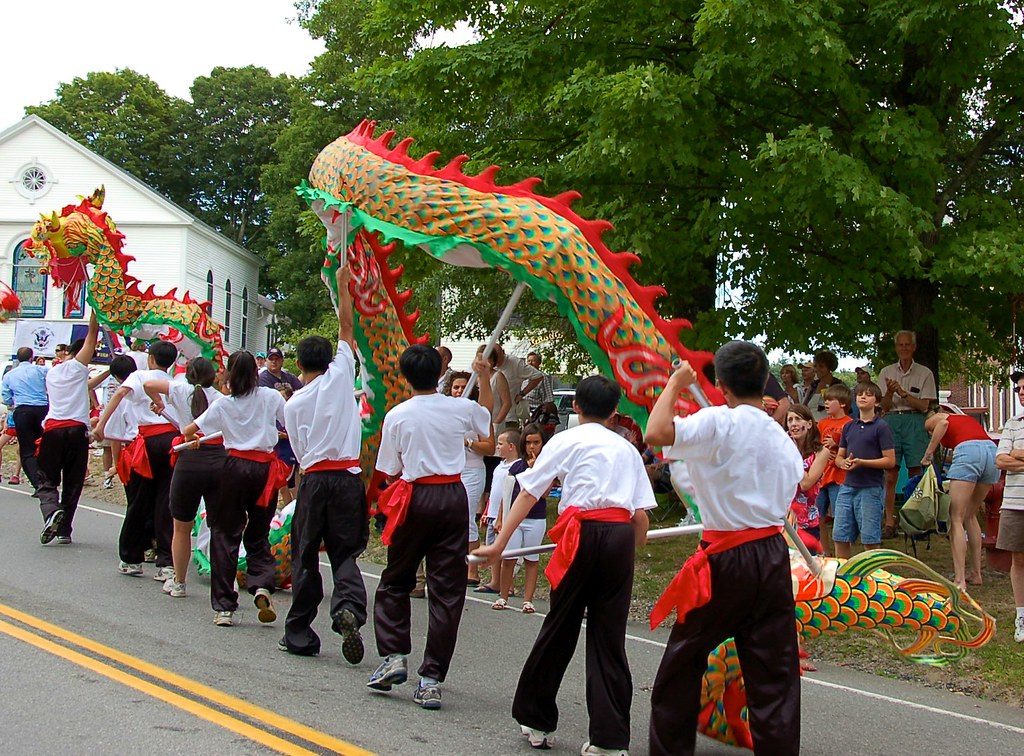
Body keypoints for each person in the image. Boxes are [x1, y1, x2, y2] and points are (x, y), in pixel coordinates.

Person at [475, 374, 653, 754]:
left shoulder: (566, 439)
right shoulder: (626, 448)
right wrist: (627, 553)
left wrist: (499, 543)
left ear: (576, 407)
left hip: (582, 534)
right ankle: (610, 740)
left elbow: (529, 491)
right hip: (618, 536)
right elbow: (640, 517)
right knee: (609, 637)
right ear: (615, 412)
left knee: (561, 625)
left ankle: (535, 719)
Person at [644, 341, 804, 756]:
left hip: (726, 558)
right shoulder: (783, 440)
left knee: (682, 667)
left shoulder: (718, 421)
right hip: (771, 556)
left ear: (720, 383)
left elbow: (656, 432)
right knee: (775, 676)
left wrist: (677, 383)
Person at [366, 345, 493, 710]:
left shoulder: (399, 415)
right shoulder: (460, 408)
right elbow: (486, 418)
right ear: (440, 370)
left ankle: (393, 656)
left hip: (414, 496)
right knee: (447, 589)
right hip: (453, 496)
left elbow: (389, 468)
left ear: (405, 375)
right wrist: (483, 375)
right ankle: (432, 679)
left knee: (396, 578)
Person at [279, 263, 370, 662]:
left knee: (305, 555)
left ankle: (299, 631)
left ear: (299, 364)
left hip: (315, 479)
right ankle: (347, 606)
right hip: (348, 477)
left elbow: (299, 454)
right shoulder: (340, 377)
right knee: (344, 552)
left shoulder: (293, 403)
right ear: (327, 360)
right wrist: (343, 287)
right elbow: (347, 329)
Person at [182, 351, 289, 627]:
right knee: (258, 532)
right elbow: (291, 423)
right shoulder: (270, 397)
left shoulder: (224, 404)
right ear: (255, 372)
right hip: (264, 470)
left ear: (229, 374)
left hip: (234, 468)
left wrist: (194, 439)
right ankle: (262, 583)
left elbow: (189, 430)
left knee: (225, 534)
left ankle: (224, 607)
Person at [96, 341, 180, 580]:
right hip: (172, 441)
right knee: (166, 500)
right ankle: (167, 561)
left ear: (151, 358)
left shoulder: (138, 376)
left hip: (146, 442)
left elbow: (120, 393)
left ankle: (132, 557)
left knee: (139, 499)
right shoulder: (176, 382)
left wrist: (101, 425)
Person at [143, 357, 224, 598]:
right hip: (218, 458)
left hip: (188, 457)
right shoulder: (220, 398)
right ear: (213, 376)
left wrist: (158, 403)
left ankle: (179, 582)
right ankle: (224, 583)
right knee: (219, 527)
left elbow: (148, 385)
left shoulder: (178, 389)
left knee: (181, 526)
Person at [36, 313, 102, 546]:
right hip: (76, 430)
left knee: (46, 479)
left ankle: (51, 509)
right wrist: (95, 313)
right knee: (73, 482)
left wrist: (108, 372)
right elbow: (92, 336)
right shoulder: (76, 367)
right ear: (81, 353)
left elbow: (87, 385)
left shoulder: (53, 373)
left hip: (53, 429)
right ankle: (64, 529)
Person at [922, 409, 997, 593]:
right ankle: (976, 573)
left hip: (969, 451)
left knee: (955, 517)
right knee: (970, 515)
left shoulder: (934, 420)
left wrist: (928, 453)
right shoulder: (966, 420)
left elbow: (943, 424)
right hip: (991, 452)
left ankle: (960, 579)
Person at [878, 330, 937, 538]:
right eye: (900, 345)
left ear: (914, 347)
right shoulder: (886, 372)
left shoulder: (924, 373)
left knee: (916, 472)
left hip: (914, 420)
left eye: (907, 345)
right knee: (890, 473)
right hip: (892, 420)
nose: (903, 348)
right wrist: (889, 392)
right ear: (896, 348)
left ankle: (914, 521)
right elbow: (882, 407)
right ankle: (889, 522)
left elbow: (924, 405)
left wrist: (903, 393)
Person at [832, 382, 896, 558]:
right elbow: (839, 456)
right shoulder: (848, 427)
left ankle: (873, 577)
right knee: (840, 535)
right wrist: (842, 463)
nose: (862, 397)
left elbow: (890, 461)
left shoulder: (881, 427)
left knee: (869, 539)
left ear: (876, 402)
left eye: (868, 394)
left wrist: (863, 462)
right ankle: (843, 577)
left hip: (870, 488)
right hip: (847, 487)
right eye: (860, 394)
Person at [491, 422, 549, 614]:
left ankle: (528, 600)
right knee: (509, 557)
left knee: (532, 559)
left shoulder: (546, 466)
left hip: (536, 518)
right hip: (515, 518)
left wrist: (535, 472)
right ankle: (503, 594)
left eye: (536, 443)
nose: (532, 447)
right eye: (529, 443)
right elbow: (505, 495)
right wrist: (500, 518)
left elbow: (545, 493)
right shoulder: (517, 466)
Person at [447, 371, 495, 587]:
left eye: (463, 387)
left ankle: (472, 570)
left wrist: (468, 443)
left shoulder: (478, 415)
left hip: (472, 471)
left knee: (466, 518)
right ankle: (453, 565)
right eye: (455, 387)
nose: (459, 391)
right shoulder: (445, 412)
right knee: (449, 520)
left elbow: (490, 447)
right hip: (450, 472)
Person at [995, 371, 1024, 644]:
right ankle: (1021, 615)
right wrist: (1013, 455)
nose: (1022, 392)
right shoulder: (1013, 424)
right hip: (1015, 502)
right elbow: (1001, 461)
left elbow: (1011, 455)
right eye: (1018, 389)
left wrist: (1017, 453)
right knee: (1018, 560)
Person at [474, 428, 520, 596]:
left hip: (505, 513)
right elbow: (493, 490)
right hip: (493, 512)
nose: (498, 447)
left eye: (501, 444)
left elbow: (509, 493)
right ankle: (495, 581)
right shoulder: (500, 465)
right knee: (493, 546)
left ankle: (509, 583)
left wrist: (502, 515)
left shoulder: (517, 467)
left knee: (506, 550)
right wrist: (487, 510)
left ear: (512, 446)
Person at [2, 346, 50, 489]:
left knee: (27, 447)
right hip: (42, 408)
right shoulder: (41, 370)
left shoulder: (10, 375)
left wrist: (12, 403)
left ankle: (36, 482)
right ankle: (46, 477)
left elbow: (6, 396)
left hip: (23, 409)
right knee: (42, 444)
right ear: (31, 358)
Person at [817, 383, 854, 556]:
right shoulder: (822, 423)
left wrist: (837, 444)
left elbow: (855, 446)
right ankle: (825, 553)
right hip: (821, 476)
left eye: (831, 400)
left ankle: (843, 554)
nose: (826, 403)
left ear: (843, 403)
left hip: (839, 478)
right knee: (817, 517)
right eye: (826, 400)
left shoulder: (850, 424)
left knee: (841, 518)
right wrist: (822, 453)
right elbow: (814, 444)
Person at [787, 404, 828, 544]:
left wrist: (792, 453)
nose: (793, 424)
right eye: (790, 420)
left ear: (809, 424)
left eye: (798, 419)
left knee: (807, 564)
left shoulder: (821, 452)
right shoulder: (781, 449)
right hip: (783, 520)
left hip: (807, 522)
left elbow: (806, 483)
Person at [493, 343, 543, 428]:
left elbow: (538, 376)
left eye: (498, 357)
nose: (496, 361)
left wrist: (522, 394)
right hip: (490, 415)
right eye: (493, 358)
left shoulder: (514, 363)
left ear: (503, 352)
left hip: (508, 417)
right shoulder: (487, 364)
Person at [808, 350, 844, 422]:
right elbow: (804, 406)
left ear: (830, 368)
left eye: (821, 366)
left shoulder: (838, 385)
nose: (817, 369)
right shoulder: (813, 385)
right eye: (815, 366)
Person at [523, 352, 555, 416]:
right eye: (528, 361)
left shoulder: (543, 378)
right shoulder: (523, 377)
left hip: (536, 414)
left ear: (539, 363)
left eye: (533, 361)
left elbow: (549, 400)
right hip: (522, 413)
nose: (530, 363)